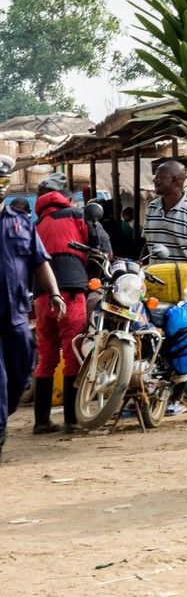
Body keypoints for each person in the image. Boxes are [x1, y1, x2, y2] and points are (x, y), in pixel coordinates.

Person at [0, 155, 67, 462]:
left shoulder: (21, 223)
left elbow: (40, 261)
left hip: (15, 314)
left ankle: (6, 411)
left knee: (20, 370)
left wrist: (54, 293)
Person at [32, 176, 105, 433]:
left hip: (42, 297)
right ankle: (72, 421)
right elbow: (101, 247)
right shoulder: (77, 215)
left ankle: (41, 422)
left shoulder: (36, 224)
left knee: (46, 358)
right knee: (73, 353)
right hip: (71, 294)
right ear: (66, 198)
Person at [143, 160, 187, 415]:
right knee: (147, 334)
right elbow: (146, 246)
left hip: (182, 284)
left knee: (183, 337)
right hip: (152, 282)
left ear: (176, 180)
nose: (155, 180)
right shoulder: (151, 208)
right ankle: (147, 392)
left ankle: (178, 398)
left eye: (160, 176)